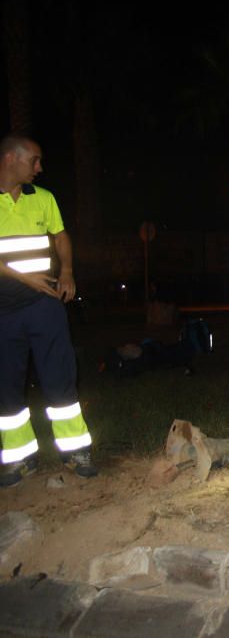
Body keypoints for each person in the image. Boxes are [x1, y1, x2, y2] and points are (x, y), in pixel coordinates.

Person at [0, 134, 97, 487]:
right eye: (34, 160)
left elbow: (61, 236)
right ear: (11, 158)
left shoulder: (43, 198)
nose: (39, 168)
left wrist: (67, 271)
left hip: (45, 304)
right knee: (6, 386)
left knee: (60, 375)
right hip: (4, 311)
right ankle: (19, 460)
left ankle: (75, 452)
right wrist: (25, 279)